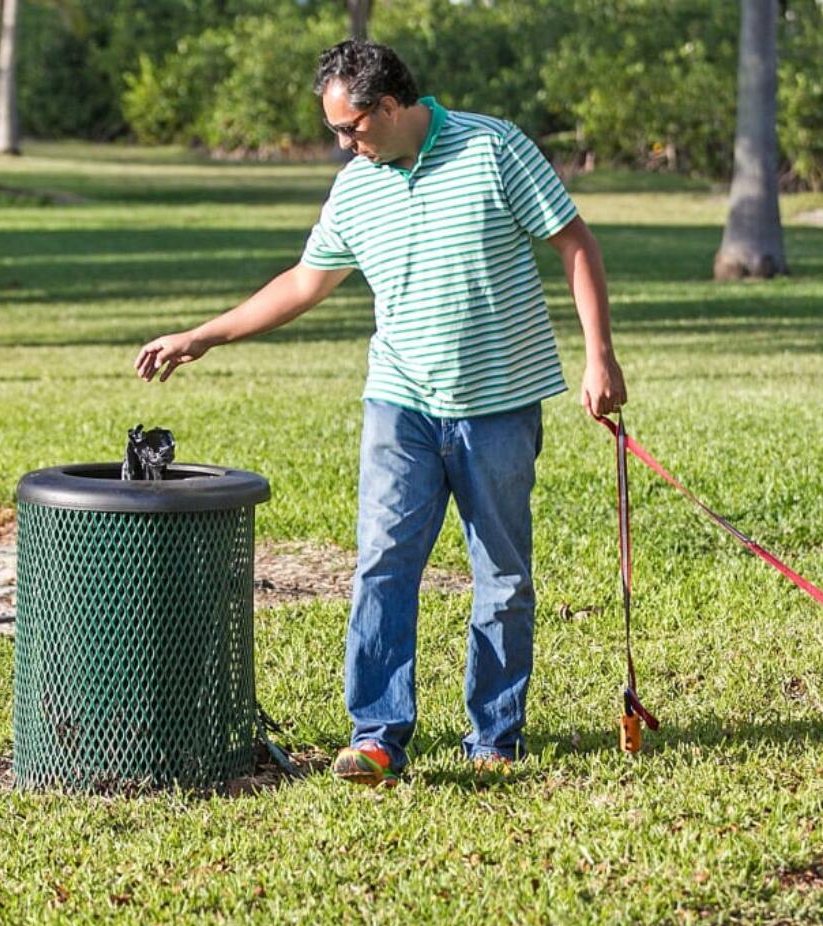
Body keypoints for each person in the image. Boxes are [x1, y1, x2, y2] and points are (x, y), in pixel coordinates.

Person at [134, 40, 626, 787]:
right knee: (383, 565)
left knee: (501, 577)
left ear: (392, 106)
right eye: (336, 130)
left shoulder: (493, 147)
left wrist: (599, 357)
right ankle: (377, 735)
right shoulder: (356, 186)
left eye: (352, 127)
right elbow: (305, 281)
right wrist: (204, 334)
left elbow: (574, 242)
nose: (344, 144)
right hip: (399, 402)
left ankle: (495, 736)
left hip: (497, 404)